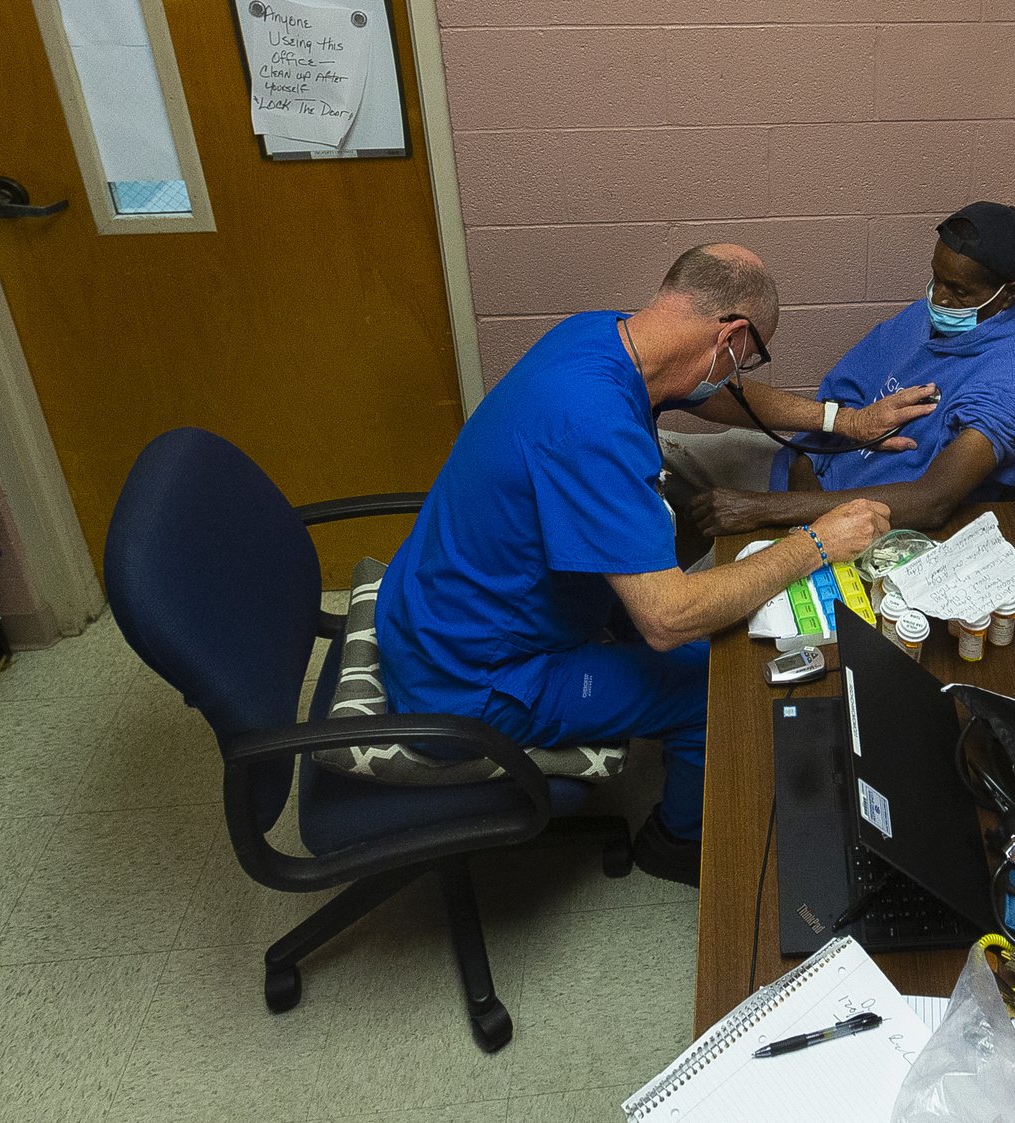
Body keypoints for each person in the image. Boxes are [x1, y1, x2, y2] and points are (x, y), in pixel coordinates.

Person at [372, 245, 929, 885]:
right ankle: (674, 842)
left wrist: (845, 420)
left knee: (698, 596)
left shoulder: (602, 337)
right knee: (710, 678)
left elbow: (715, 398)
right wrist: (816, 542)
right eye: (747, 358)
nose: (738, 374)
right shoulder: (594, 424)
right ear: (732, 336)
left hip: (427, 607)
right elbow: (668, 619)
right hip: (466, 683)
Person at [663, 202, 1015, 541]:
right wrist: (804, 472)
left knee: (687, 604)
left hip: (854, 529)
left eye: (958, 290)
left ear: (1008, 294)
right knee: (653, 450)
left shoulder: (1011, 376)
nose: (939, 298)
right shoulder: (933, 314)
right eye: (937, 279)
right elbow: (841, 394)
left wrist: (768, 510)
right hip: (804, 474)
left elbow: (933, 501)